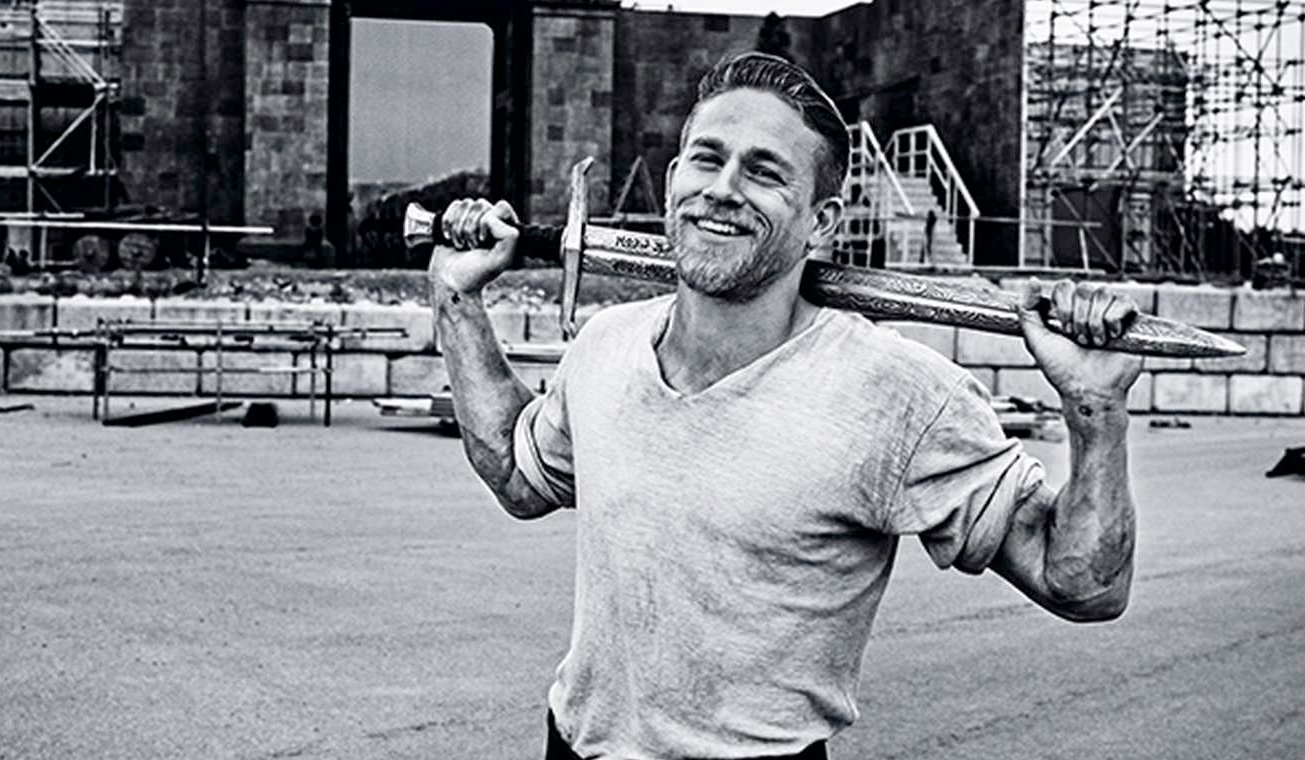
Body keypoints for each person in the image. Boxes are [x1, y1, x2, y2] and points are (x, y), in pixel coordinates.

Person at [428, 53, 1141, 760]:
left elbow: (1082, 584)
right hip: (573, 748)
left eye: (764, 172)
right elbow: (519, 476)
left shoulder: (896, 393)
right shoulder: (606, 345)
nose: (723, 190)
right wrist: (456, 299)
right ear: (674, 180)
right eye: (707, 160)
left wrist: (1095, 410)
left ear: (821, 221)